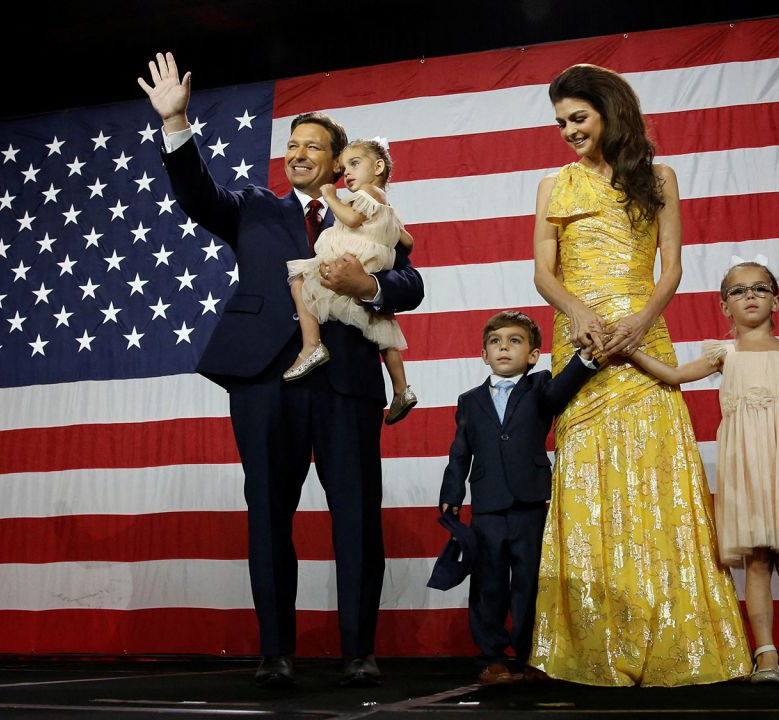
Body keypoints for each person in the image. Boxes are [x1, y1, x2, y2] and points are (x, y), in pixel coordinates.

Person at [138, 52, 425, 687]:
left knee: (356, 514)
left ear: (338, 158)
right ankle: (276, 652)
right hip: (267, 378)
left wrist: (369, 288)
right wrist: (177, 124)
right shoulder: (251, 207)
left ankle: (358, 652)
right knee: (267, 510)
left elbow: (410, 281)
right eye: (291, 145)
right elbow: (194, 193)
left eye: (313, 146)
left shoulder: (371, 212)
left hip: (347, 379)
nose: (297, 153)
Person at [528, 64, 750, 686]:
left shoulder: (659, 178)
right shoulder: (554, 185)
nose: (568, 131)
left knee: (659, 482)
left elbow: (671, 269)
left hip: (642, 338)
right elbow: (545, 274)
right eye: (560, 122)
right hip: (581, 347)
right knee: (586, 484)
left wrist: (636, 322)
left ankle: (673, 639)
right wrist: (576, 312)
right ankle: (594, 645)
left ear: (610, 112)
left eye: (578, 118)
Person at [627, 257, 779, 684]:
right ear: (725, 307)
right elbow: (674, 374)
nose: (750, 296)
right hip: (747, 467)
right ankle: (763, 654)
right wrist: (630, 350)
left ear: (776, 300)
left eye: (760, 288)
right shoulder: (726, 355)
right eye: (739, 291)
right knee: (758, 561)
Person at [438, 311, 598, 685]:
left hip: (529, 503)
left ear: (533, 355)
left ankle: (530, 654)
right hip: (488, 506)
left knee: (529, 582)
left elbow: (564, 389)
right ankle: (491, 655)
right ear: (483, 354)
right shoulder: (469, 400)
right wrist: (452, 492)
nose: (504, 348)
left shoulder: (540, 386)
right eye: (496, 342)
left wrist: (585, 358)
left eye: (514, 341)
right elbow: (460, 451)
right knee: (488, 582)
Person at [284, 139, 418, 424]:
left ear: (378, 166)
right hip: (369, 263)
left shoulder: (364, 194)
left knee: (299, 280)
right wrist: (386, 244)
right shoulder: (388, 206)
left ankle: (311, 346)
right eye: (344, 168)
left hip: (347, 263)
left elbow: (352, 219)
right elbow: (407, 240)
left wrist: (332, 197)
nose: (346, 174)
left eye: (354, 164)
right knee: (385, 332)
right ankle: (401, 389)